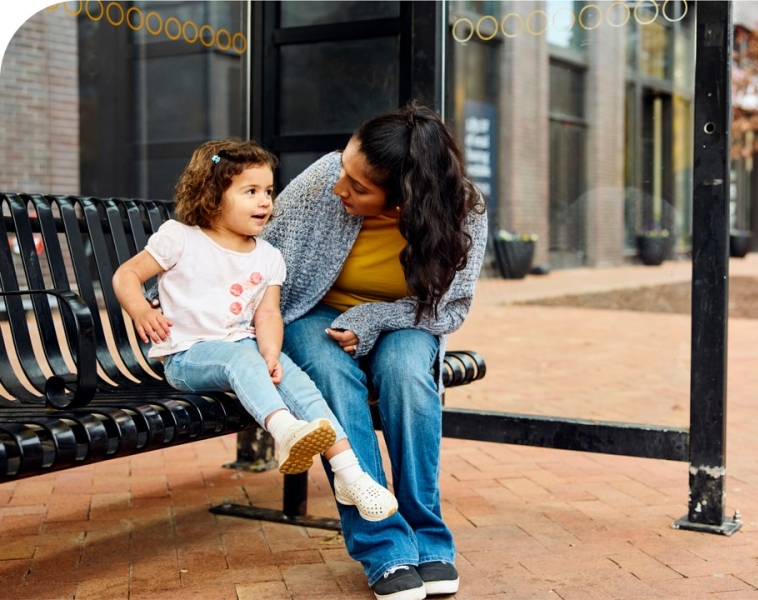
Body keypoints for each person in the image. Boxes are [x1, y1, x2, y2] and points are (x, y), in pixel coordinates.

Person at [263, 101, 488, 600]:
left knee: (408, 373)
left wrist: (372, 318)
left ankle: (428, 541)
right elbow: (263, 257)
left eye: (359, 187)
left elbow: (449, 309)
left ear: (403, 202)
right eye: (345, 168)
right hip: (312, 312)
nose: (340, 186)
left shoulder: (464, 212)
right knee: (329, 373)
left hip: (404, 318)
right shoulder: (326, 178)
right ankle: (383, 546)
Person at [112, 139, 398, 523]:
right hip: (186, 357)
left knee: (298, 382)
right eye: (250, 192)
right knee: (239, 355)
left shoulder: (268, 256)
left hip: (243, 352)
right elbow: (127, 274)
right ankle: (284, 431)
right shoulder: (180, 237)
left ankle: (351, 474)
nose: (265, 201)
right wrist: (139, 308)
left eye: (268, 191)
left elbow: (267, 316)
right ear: (212, 196)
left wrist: (271, 353)